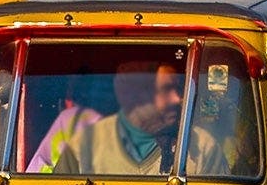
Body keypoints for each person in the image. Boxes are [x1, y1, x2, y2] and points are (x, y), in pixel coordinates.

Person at [57, 61, 227, 177]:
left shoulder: (203, 148)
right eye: (167, 90)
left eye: (178, 89)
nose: (177, 99)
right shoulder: (86, 146)